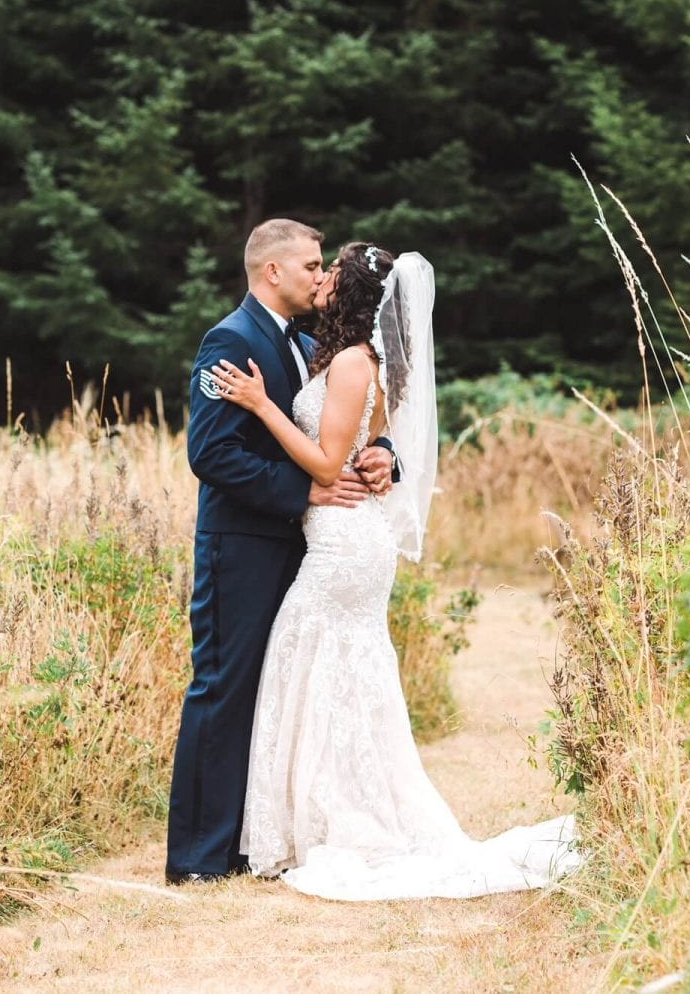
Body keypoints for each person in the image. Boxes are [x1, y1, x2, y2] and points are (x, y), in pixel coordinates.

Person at [209, 242, 581, 900]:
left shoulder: (354, 361)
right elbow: (368, 444)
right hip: (345, 535)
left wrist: (263, 405)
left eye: (331, 272)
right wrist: (378, 451)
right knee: (333, 668)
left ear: (349, 292)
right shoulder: (344, 356)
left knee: (316, 655)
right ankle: (325, 813)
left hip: (345, 541)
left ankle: (339, 818)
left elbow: (327, 466)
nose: (319, 279)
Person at [165, 220, 397, 885]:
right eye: (311, 266)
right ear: (273, 272)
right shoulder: (229, 341)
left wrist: (385, 457)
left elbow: (355, 425)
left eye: (325, 268)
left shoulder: (305, 342)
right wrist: (306, 493)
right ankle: (198, 860)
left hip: (306, 551)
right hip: (241, 548)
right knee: (224, 687)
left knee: (276, 693)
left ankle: (255, 838)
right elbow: (210, 454)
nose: (320, 277)